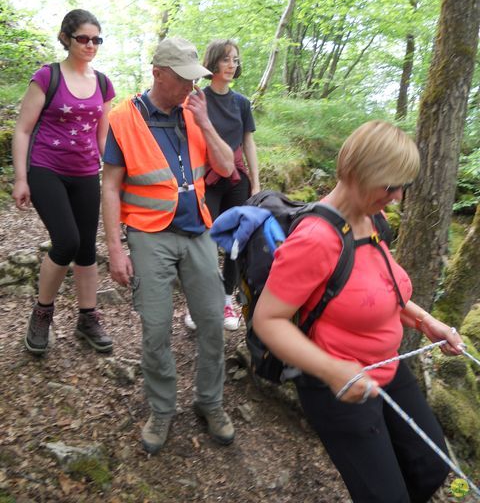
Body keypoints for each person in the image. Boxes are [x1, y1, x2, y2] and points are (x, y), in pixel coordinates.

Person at [253, 120, 464, 503]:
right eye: (390, 186)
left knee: (431, 466)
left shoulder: (372, 220)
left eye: (403, 186)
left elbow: (383, 291)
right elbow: (268, 320)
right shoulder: (315, 239)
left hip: (386, 365)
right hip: (338, 383)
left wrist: (427, 322)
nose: (398, 196)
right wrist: (333, 371)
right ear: (356, 173)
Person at [101, 36, 236, 454]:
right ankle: (162, 408)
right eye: (182, 80)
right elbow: (109, 186)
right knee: (156, 328)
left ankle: (210, 401)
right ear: (158, 74)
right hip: (148, 233)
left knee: (213, 321)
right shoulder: (122, 118)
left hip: (197, 230)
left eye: (194, 79)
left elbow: (228, 167)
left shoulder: (196, 110)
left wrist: (207, 122)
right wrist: (115, 249)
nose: (190, 88)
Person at [12, 9, 115, 355]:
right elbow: (23, 129)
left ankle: (87, 318)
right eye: (83, 38)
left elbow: (103, 139)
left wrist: (117, 172)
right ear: (67, 38)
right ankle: (42, 313)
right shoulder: (46, 77)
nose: (90, 45)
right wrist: (21, 178)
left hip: (86, 173)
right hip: (46, 169)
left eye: (96, 39)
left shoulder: (102, 83)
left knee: (87, 248)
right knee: (66, 241)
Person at [184, 39, 260, 332]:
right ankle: (199, 304)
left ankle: (227, 301)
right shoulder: (198, 99)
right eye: (227, 59)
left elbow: (248, 143)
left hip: (237, 181)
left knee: (235, 243)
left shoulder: (241, 103)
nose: (232, 65)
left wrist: (256, 184)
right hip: (206, 180)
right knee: (203, 242)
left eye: (236, 60)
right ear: (213, 62)